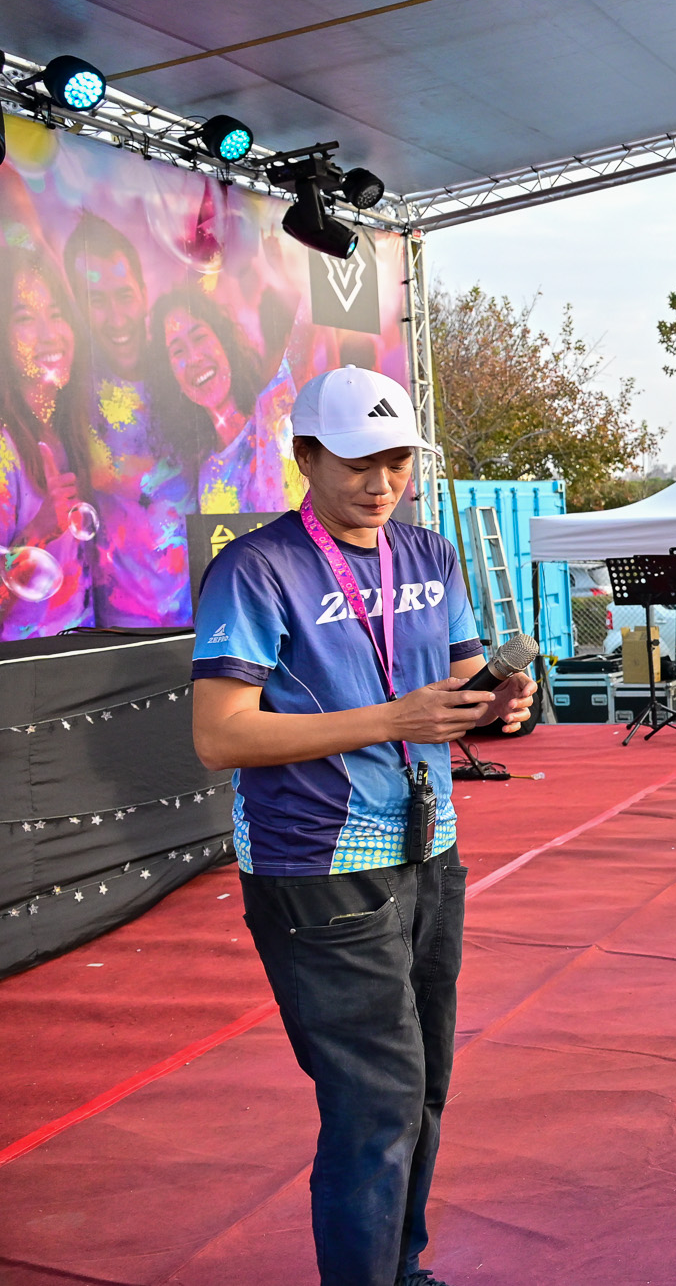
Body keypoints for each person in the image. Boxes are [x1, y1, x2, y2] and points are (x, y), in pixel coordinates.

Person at [188, 367, 535, 1286]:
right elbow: (219, 736)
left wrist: (500, 704)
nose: (382, 483)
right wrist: (393, 719)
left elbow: (453, 685)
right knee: (373, 1101)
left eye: (398, 461)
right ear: (305, 457)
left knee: (423, 1087)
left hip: (431, 848)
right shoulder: (255, 568)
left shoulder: (430, 553)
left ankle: (401, 1265)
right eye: (357, 462)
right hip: (318, 866)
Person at [63, 212, 196, 627]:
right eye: (97, 301)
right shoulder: (74, 390)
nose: (116, 317)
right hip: (123, 622)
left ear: (143, 292)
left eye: (124, 295)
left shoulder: (180, 370)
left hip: (203, 603)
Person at [0, 246, 95, 637]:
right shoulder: (5, 450)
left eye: (56, 314)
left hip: (81, 647)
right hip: (29, 664)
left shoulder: (67, 426)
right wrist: (38, 532)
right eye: (25, 318)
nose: (49, 334)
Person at [151, 284, 307, 513]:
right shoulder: (204, 479)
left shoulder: (279, 408)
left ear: (224, 342)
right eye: (178, 351)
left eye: (199, 337)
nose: (194, 357)